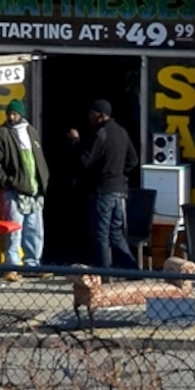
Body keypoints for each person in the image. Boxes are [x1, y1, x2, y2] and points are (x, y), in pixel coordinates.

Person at [70, 99, 139, 270]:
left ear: (100, 116)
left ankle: (103, 272)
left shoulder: (101, 134)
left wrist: (75, 142)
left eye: (92, 115)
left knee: (101, 234)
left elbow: (85, 161)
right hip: (119, 190)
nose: (89, 118)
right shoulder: (122, 132)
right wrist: (119, 173)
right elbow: (133, 159)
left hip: (103, 190)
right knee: (116, 233)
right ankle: (133, 270)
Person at [0, 105, 48, 270]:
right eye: (9, 114)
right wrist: (6, 181)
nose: (11, 117)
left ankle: (32, 264)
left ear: (21, 114)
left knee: (34, 230)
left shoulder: (30, 131)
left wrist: (43, 181)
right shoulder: (2, 133)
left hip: (34, 190)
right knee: (14, 230)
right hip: (14, 191)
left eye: (15, 113)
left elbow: (37, 158)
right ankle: (12, 266)